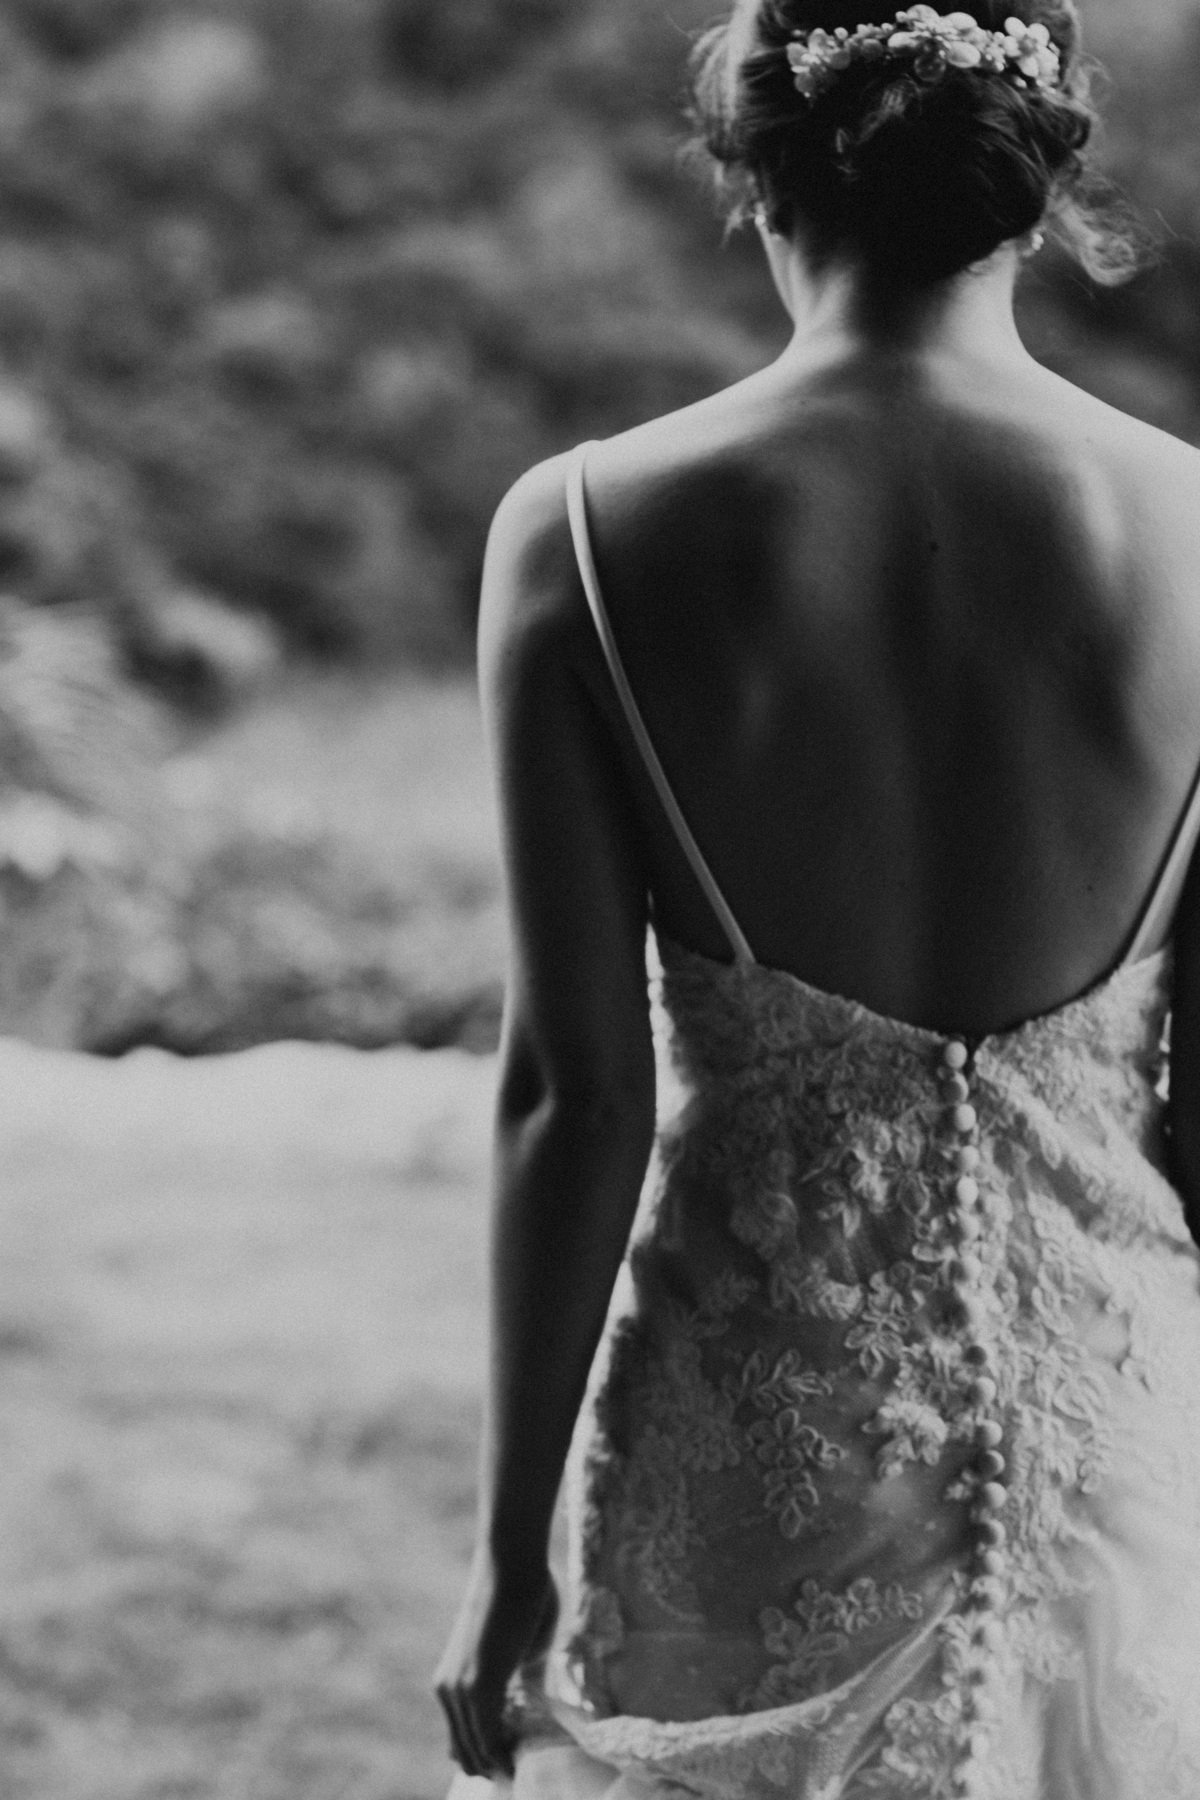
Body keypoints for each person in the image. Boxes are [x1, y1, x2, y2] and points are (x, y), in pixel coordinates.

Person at [435, 1, 1200, 1794]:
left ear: (759, 176)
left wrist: (504, 1552)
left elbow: (574, 1097)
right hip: (1124, 1437)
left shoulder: (585, 531)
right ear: (1033, 189)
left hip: (752, 1460)